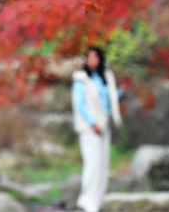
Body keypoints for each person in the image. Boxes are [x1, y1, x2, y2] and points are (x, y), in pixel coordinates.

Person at [71, 46, 122, 212]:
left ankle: (98, 200)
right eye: (89, 57)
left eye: (95, 57)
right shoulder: (81, 78)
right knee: (92, 164)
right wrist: (93, 123)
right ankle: (87, 201)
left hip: (104, 125)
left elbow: (108, 98)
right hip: (89, 127)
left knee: (102, 164)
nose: (91, 60)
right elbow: (80, 103)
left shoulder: (105, 77)